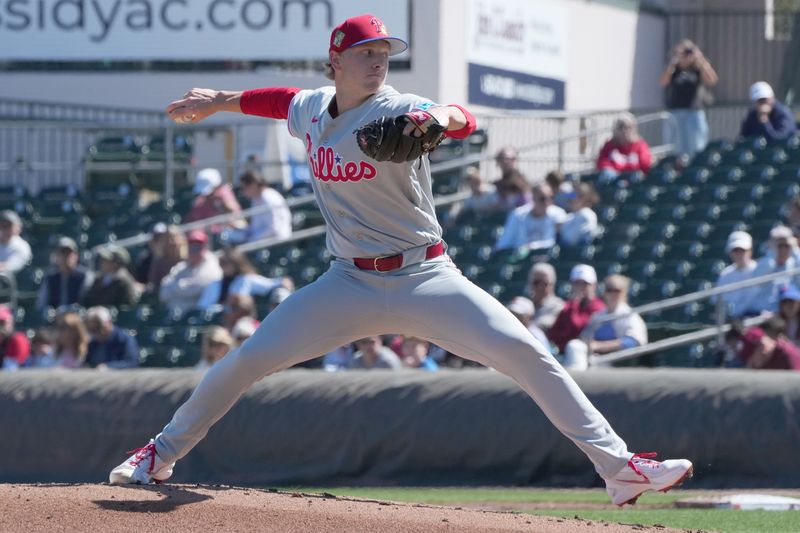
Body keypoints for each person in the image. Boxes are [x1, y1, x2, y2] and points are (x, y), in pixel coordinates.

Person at [110, 14, 692, 506]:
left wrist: (438, 120)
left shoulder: (401, 108)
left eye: (385, 52)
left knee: (525, 351)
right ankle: (157, 453)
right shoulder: (314, 108)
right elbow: (280, 101)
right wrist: (220, 101)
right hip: (347, 283)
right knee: (248, 358)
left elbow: (460, 117)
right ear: (336, 58)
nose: (379, 61)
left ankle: (619, 469)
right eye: (366, 52)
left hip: (425, 275)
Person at [563, 275, 648, 370]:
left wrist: (600, 346)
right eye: (609, 290)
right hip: (595, 358)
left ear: (624, 292)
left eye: (616, 290)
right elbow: (585, 338)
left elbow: (633, 342)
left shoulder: (630, 315)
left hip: (618, 361)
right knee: (574, 345)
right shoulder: (599, 315)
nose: (612, 294)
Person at [659, 39, 718, 158]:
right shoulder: (674, 69)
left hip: (694, 112)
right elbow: (663, 82)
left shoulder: (697, 70)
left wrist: (700, 60)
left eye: (688, 52)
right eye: (683, 52)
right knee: (675, 147)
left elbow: (712, 80)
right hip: (676, 112)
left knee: (696, 146)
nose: (686, 55)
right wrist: (673, 62)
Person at [196, 247, 293, 310]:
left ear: (235, 262)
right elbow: (202, 307)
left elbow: (272, 284)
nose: (222, 266)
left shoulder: (247, 279)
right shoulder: (215, 284)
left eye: (226, 263)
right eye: (221, 263)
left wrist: (282, 281)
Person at [158, 230, 222, 315]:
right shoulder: (181, 266)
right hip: (176, 314)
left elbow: (201, 286)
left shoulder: (212, 265)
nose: (194, 251)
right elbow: (164, 292)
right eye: (191, 247)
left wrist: (177, 287)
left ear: (205, 247)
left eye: (198, 247)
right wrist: (186, 287)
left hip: (197, 315)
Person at [548, 265, 606, 354]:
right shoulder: (568, 306)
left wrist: (574, 303)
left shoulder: (598, 307)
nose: (581, 287)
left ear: (594, 285)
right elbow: (554, 334)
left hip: (590, 356)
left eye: (585, 284)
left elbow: (576, 327)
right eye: (577, 283)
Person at [494, 183, 567, 252]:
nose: (547, 202)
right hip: (521, 259)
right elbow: (504, 243)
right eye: (542, 199)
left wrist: (532, 246)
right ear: (533, 198)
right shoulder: (517, 215)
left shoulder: (558, 215)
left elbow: (559, 242)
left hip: (546, 259)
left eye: (551, 197)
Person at [745, 226, 800, 315]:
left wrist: (794, 246)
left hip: (787, 312)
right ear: (772, 246)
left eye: (786, 246)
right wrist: (774, 255)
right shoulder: (764, 263)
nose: (783, 250)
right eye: (779, 246)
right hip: (762, 312)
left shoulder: (794, 262)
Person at [36, 237, 92, 313]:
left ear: (76, 256)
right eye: (62, 253)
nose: (66, 257)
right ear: (56, 257)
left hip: (77, 319)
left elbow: (85, 303)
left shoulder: (84, 276)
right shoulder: (50, 278)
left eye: (69, 253)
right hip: (55, 320)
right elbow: (41, 305)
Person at [236, 169, 292, 243]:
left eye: (244, 188)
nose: (243, 191)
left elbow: (274, 228)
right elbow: (257, 227)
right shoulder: (256, 198)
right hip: (261, 241)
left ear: (253, 185)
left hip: (276, 243)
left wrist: (251, 240)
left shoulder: (269, 198)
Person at [185, 168, 245, 234]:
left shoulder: (225, 194)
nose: (207, 196)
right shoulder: (199, 202)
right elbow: (193, 222)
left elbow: (236, 215)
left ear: (217, 187)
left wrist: (223, 204)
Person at [714, 231, 758, 319]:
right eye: (735, 250)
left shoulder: (758, 270)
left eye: (742, 250)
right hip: (733, 322)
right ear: (730, 253)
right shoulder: (725, 274)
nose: (739, 254)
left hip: (755, 318)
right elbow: (718, 302)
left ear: (750, 251)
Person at [596, 113, 652, 182]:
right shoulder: (609, 145)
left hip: (633, 180)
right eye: (621, 127)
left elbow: (645, 164)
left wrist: (622, 168)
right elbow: (602, 163)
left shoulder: (640, 145)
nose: (624, 130)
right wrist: (618, 171)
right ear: (616, 129)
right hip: (615, 180)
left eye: (628, 127)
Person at [736, 318, 800, 370]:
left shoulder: (788, 355)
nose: (749, 362)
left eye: (750, 357)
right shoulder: (763, 361)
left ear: (762, 347)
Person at [147, 225, 186, 293]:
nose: (172, 242)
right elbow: (153, 283)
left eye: (175, 238)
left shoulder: (189, 258)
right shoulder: (159, 261)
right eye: (168, 239)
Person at [559, 182, 599, 247]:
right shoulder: (570, 216)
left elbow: (571, 239)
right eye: (570, 195)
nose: (569, 198)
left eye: (573, 195)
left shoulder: (587, 215)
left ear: (583, 198)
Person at [527, 262, 565, 331]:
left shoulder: (558, 305)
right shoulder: (527, 304)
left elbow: (544, 325)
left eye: (544, 283)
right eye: (536, 283)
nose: (540, 287)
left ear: (552, 284)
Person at [132, 222, 168, 289]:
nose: (160, 241)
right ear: (150, 241)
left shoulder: (173, 258)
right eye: (156, 238)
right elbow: (139, 283)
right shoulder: (144, 261)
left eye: (163, 238)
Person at [0, 210, 32, 275]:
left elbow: (10, 266)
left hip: (15, 281)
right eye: (3, 225)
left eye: (9, 225)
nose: (5, 228)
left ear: (18, 228)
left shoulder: (22, 246)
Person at [0, 304, 29, 370]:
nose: (0, 326)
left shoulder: (17, 339)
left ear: (11, 322)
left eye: (2, 322)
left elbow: (14, 368)